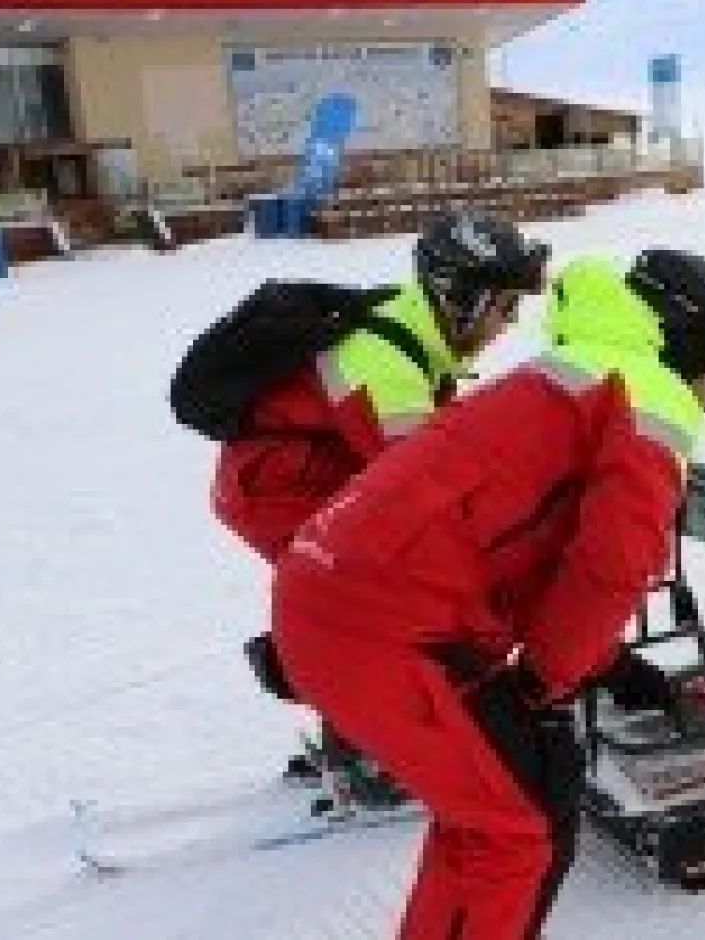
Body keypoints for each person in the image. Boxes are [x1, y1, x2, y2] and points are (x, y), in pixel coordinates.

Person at [270, 250, 705, 939]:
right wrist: (541, 684)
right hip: (389, 630)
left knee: (487, 818)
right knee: (519, 833)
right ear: (689, 342)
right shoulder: (652, 394)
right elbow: (610, 566)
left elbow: (531, 550)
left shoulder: (576, 371)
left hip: (338, 598)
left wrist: (610, 669)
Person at [210, 211, 550, 793]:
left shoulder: (414, 333)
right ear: (462, 298)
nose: (510, 324)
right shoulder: (384, 364)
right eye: (505, 306)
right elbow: (424, 494)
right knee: (375, 599)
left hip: (312, 478)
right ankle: (361, 750)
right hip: (279, 492)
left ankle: (342, 712)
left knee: (377, 596)